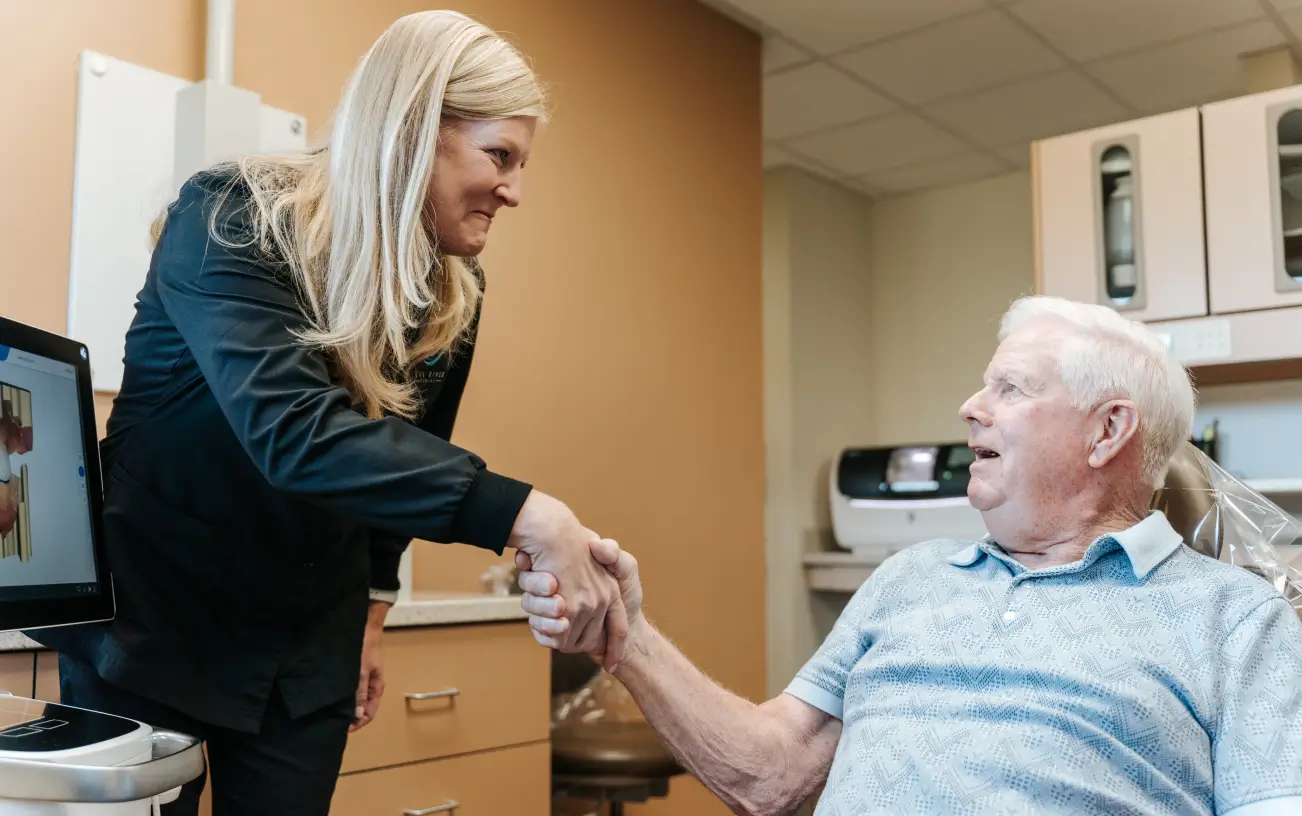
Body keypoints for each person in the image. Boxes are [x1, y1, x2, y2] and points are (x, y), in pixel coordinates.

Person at [27, 10, 626, 815]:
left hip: (306, 639)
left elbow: (406, 458)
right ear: (414, 131)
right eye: (500, 155)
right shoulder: (233, 217)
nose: (515, 190)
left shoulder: (452, 294)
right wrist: (527, 514)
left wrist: (373, 618)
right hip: (152, 621)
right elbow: (294, 434)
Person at [521, 295, 1302, 816]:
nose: (971, 407)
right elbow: (770, 774)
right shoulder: (908, 579)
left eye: (1011, 388)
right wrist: (626, 634)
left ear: (1108, 432)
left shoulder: (1232, 617)